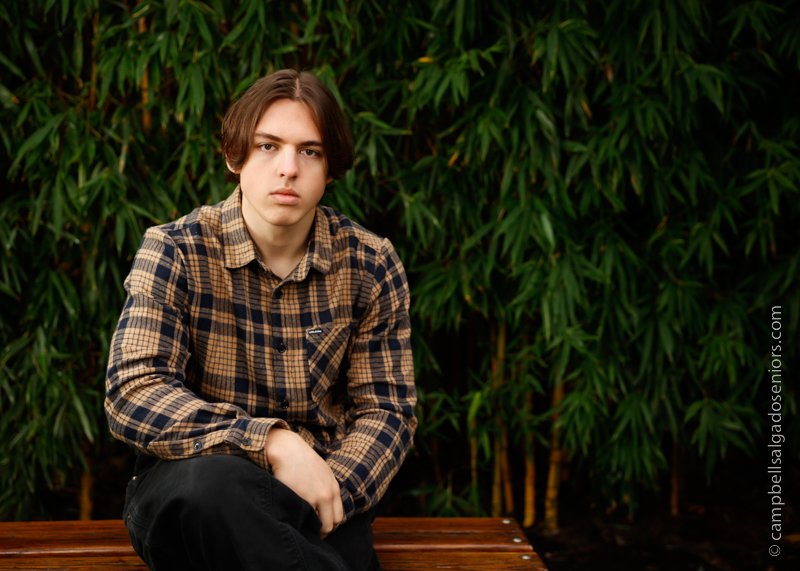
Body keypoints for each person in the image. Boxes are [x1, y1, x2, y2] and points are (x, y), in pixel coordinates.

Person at [104, 69, 417, 571]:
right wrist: (272, 444)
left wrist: (328, 487)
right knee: (215, 485)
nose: (288, 168)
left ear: (330, 168)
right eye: (268, 146)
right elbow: (133, 391)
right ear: (235, 156)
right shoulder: (176, 249)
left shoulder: (369, 262)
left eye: (309, 151)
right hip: (193, 489)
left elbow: (387, 411)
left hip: (325, 493)